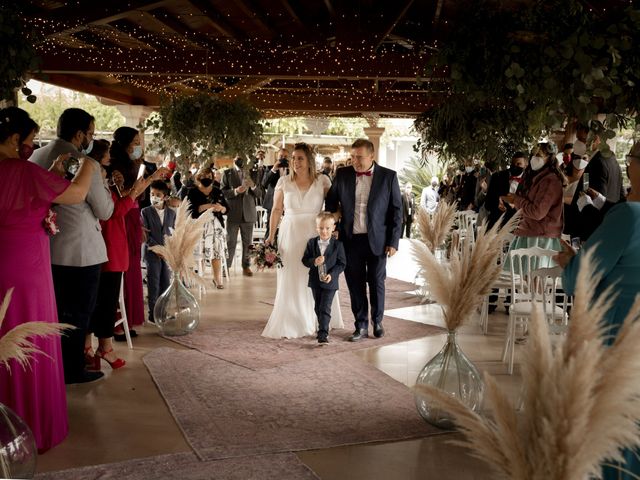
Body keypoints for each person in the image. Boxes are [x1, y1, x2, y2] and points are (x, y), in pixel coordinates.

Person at [0, 107, 94, 450]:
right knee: (28, 332)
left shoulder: (23, 172)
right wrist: (89, 165)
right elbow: (77, 194)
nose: (30, 146)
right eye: (28, 140)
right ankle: (29, 425)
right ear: (13, 139)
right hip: (26, 270)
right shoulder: (20, 171)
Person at [554, 142, 640, 480]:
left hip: (615, 335)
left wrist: (569, 261)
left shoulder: (628, 217)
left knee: (611, 427)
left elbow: (580, 280)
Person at [30, 107, 115, 383]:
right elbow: (104, 210)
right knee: (79, 313)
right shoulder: (82, 162)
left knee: (55, 313)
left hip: (47, 247)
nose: (90, 138)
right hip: (80, 251)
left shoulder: (36, 155)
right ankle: (72, 369)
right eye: (90, 133)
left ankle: (53, 366)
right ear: (80, 134)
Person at [85, 140, 164, 369]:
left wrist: (142, 184)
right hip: (109, 244)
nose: (110, 157)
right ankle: (103, 347)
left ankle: (95, 346)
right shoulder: (95, 181)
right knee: (105, 301)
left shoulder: (104, 182)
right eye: (107, 154)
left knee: (102, 299)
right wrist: (135, 192)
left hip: (112, 243)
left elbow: (121, 202)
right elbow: (115, 211)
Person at [262, 142, 343, 338]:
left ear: (309, 161)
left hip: (315, 233)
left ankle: (319, 317)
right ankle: (292, 318)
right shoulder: (284, 182)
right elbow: (276, 210)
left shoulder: (322, 180)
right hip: (289, 233)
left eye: (300, 158)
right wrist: (271, 236)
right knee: (291, 274)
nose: (296, 162)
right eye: (293, 158)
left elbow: (337, 208)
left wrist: (332, 225)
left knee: (316, 272)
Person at [326, 138, 403, 342]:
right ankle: (360, 325)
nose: (355, 161)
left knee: (377, 281)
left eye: (359, 157)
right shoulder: (342, 175)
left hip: (378, 240)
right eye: (352, 156)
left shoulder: (388, 176)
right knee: (355, 283)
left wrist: (394, 242)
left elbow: (397, 212)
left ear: (372, 156)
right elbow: (331, 201)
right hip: (350, 240)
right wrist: (334, 222)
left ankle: (377, 322)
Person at [500, 142, 566, 268]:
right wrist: (507, 199)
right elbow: (524, 202)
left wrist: (517, 201)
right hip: (528, 232)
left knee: (533, 283)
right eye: (533, 155)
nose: (535, 158)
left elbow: (537, 212)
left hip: (540, 239)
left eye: (539, 155)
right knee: (519, 283)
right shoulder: (534, 176)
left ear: (549, 158)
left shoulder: (550, 180)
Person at [109, 126, 146, 338]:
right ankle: (118, 323)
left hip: (133, 215)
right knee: (123, 269)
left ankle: (128, 320)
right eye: (135, 142)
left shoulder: (131, 162)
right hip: (124, 216)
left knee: (132, 269)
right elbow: (123, 194)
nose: (138, 146)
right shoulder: (117, 164)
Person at [302, 212, 347, 344]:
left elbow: (342, 263)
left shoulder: (338, 245)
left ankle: (323, 333)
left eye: (327, 228)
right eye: (321, 228)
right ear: (316, 228)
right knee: (318, 307)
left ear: (333, 228)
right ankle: (322, 327)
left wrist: (332, 275)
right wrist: (314, 261)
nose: (324, 231)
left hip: (330, 282)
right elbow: (304, 260)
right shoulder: (311, 243)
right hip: (315, 281)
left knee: (325, 307)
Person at [142, 180, 176, 321]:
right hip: (152, 253)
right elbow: (146, 235)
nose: (154, 197)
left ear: (165, 197)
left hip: (166, 253)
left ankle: (163, 312)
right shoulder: (146, 212)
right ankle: (152, 314)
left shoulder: (171, 213)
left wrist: (168, 250)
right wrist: (156, 249)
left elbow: (172, 232)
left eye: (157, 194)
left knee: (165, 282)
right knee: (153, 282)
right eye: (152, 194)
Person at [187, 168, 228, 287]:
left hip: (216, 225)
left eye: (209, 176)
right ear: (198, 177)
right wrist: (208, 206)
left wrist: (222, 208)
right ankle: (200, 277)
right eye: (204, 175)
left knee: (217, 251)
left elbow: (226, 208)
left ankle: (217, 279)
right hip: (199, 225)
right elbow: (192, 211)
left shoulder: (217, 191)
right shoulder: (192, 192)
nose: (207, 178)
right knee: (200, 252)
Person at [222, 156, 261, 276]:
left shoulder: (253, 173)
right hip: (233, 213)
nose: (241, 159)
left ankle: (246, 267)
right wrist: (235, 191)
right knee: (230, 242)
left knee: (248, 243)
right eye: (238, 157)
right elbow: (223, 192)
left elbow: (259, 193)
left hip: (249, 213)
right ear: (234, 158)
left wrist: (253, 186)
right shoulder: (227, 173)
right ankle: (226, 267)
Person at [484, 152, 528, 228]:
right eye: (513, 163)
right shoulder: (497, 177)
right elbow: (487, 204)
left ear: (525, 166)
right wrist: (497, 203)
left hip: (518, 226)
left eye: (519, 164)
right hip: (496, 224)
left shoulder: (529, 181)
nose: (515, 166)